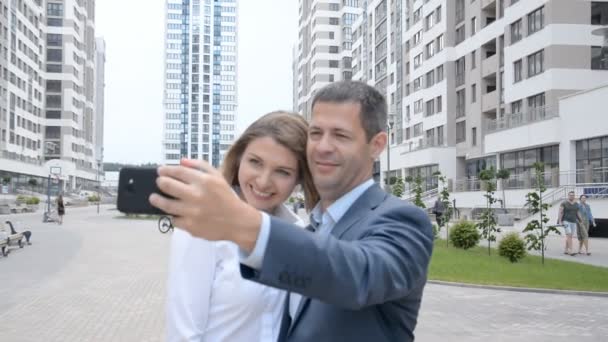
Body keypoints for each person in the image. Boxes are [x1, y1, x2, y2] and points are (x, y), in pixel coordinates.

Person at [150, 81, 434, 342]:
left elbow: (359, 274)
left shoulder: (403, 219)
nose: (323, 147)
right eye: (316, 133)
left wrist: (243, 224)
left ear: (377, 145)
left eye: (340, 135)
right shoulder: (312, 227)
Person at [165, 111, 319, 342]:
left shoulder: (298, 233)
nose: (264, 181)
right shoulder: (201, 228)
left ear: (299, 179)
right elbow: (183, 334)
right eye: (255, 162)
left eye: (282, 172)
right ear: (238, 160)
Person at [557, 191, 583, 256]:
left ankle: (566, 249)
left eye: (573, 195)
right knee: (569, 235)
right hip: (566, 221)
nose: (572, 196)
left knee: (570, 236)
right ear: (568, 196)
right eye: (570, 195)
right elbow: (560, 212)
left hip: (573, 222)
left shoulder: (576, 204)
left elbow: (577, 213)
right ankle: (570, 251)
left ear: (574, 196)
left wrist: (581, 220)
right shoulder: (564, 203)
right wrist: (560, 221)